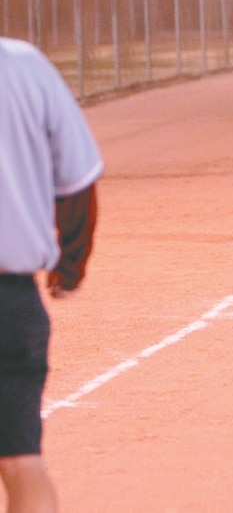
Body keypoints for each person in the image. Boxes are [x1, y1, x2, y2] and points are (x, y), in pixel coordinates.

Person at [1, 37, 103, 513]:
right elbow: (77, 179)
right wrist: (69, 264)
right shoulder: (23, 65)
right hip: (9, 303)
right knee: (21, 461)